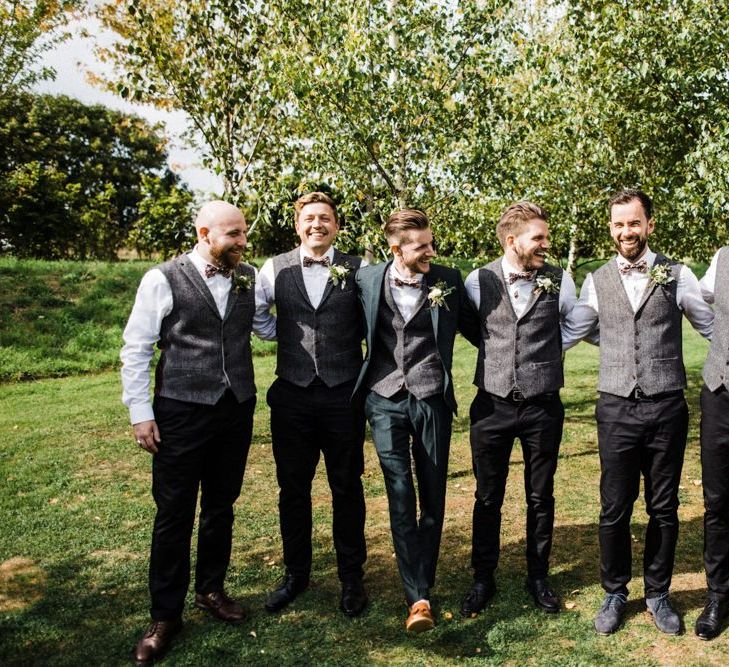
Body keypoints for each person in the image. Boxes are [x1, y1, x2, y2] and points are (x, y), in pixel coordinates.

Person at [120, 201, 276, 665]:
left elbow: (265, 328)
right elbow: (137, 347)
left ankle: (210, 589)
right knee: (173, 512)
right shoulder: (162, 278)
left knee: (221, 505)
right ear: (205, 233)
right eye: (233, 235)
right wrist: (140, 411)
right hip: (181, 411)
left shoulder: (247, 275)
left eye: (244, 233)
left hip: (235, 408)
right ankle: (165, 615)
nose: (242, 242)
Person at [562, 188, 713, 636]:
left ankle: (658, 593)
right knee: (614, 507)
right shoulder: (596, 280)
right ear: (610, 228)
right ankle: (614, 591)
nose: (625, 232)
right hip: (615, 406)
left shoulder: (677, 274)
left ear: (648, 224)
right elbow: (574, 332)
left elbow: (709, 327)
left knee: (663, 507)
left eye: (633, 223)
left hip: (667, 406)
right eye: (618, 224)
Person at [354, 208, 480, 633]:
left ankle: (423, 575)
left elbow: (478, 330)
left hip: (430, 397)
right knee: (400, 492)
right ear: (396, 248)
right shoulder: (367, 279)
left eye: (431, 243)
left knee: (433, 491)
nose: (431, 251)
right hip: (384, 397)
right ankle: (418, 595)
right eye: (421, 246)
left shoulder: (448, 279)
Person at [460, 201, 576, 618]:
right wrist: (499, 357)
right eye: (538, 238)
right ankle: (482, 578)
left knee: (540, 496)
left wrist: (546, 356)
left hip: (542, 406)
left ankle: (538, 576)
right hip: (490, 405)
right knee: (487, 495)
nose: (546, 244)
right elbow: (473, 327)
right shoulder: (477, 280)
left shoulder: (560, 280)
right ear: (512, 241)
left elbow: (574, 322)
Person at [258, 192, 368, 617]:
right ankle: (295, 575)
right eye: (309, 218)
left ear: (337, 226)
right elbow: (255, 314)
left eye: (325, 218)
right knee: (293, 489)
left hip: (344, 394)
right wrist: (281, 335)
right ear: (297, 225)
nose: (317, 224)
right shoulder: (274, 268)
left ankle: (351, 577)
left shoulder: (360, 269)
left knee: (347, 486)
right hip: (292, 396)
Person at [695, 247, 729, 639]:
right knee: (718, 501)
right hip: (720, 394)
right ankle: (718, 594)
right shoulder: (722, 258)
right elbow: (702, 300)